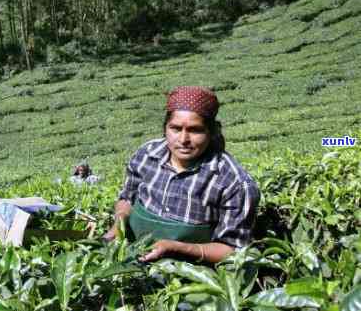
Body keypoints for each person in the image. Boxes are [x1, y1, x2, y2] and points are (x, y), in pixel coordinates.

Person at [102, 86, 260, 263]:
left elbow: (233, 250)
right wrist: (119, 223)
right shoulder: (146, 154)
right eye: (176, 128)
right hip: (131, 259)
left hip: (188, 275)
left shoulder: (234, 183)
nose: (184, 140)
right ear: (165, 128)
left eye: (195, 130)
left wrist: (176, 247)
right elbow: (127, 199)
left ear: (212, 131)